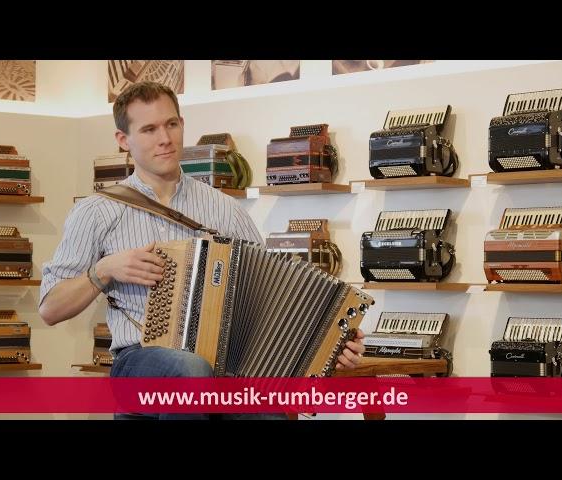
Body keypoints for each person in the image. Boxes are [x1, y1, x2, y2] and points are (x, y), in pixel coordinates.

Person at [39, 81, 366, 420]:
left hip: (226, 362)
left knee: (266, 407)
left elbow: (272, 296)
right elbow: (50, 309)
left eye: (172, 124)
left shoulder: (225, 209)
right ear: (124, 140)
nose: (165, 138)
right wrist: (104, 270)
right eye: (149, 129)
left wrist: (332, 342)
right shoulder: (97, 211)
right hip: (138, 360)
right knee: (189, 368)